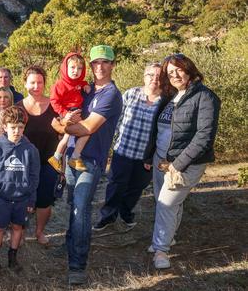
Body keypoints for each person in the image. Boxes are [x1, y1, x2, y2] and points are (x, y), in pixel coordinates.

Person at [51, 45, 123, 285]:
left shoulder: (110, 94)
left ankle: (77, 264)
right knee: (73, 203)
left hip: (90, 161)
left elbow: (88, 128)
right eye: (95, 63)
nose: (99, 67)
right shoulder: (88, 90)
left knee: (81, 207)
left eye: (105, 62)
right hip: (73, 155)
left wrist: (59, 127)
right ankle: (70, 244)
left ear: (113, 65)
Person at [143, 54, 220, 269]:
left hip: (185, 164)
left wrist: (177, 164)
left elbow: (204, 137)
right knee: (166, 201)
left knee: (166, 203)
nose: (175, 75)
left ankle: (161, 250)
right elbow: (158, 129)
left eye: (178, 69)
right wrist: (151, 156)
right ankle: (169, 237)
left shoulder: (205, 97)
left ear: (189, 69)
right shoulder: (171, 96)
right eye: (170, 73)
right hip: (161, 160)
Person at [94, 63, 162, 231]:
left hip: (146, 157)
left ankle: (126, 213)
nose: (154, 79)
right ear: (144, 76)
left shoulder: (166, 102)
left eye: (159, 76)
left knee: (136, 188)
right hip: (123, 151)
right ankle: (108, 217)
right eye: (150, 75)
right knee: (115, 186)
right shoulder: (131, 94)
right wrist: (109, 146)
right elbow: (117, 121)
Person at [0, 105, 40, 275]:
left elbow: (34, 176)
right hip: (2, 198)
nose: (17, 131)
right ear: (4, 127)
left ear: (24, 127)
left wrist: (31, 200)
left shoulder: (31, 150)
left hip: (22, 199)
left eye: (20, 127)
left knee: (18, 227)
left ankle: (12, 256)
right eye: (13, 127)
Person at [17, 66, 63, 246]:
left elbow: (63, 134)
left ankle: (39, 231)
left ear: (45, 83)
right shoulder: (19, 108)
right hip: (23, 163)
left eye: (40, 82)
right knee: (21, 199)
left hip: (49, 162)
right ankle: (19, 232)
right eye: (32, 82)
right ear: (25, 83)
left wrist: (61, 164)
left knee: (44, 200)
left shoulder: (55, 105)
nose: (36, 86)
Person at [48, 52, 91, 173]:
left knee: (66, 138)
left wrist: (86, 85)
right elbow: (54, 101)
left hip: (74, 113)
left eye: (79, 68)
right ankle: (75, 157)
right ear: (65, 68)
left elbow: (82, 83)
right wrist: (65, 113)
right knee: (86, 132)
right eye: (72, 67)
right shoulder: (60, 85)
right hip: (69, 113)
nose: (75, 71)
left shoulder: (78, 83)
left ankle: (56, 157)